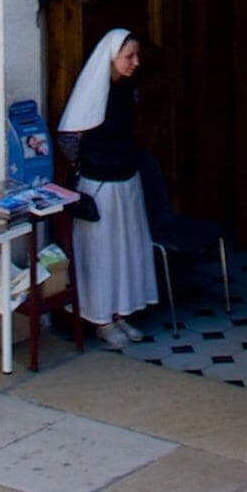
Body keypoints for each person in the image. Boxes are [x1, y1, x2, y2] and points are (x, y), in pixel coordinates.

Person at [60, 29, 157, 341]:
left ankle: (121, 312)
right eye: (129, 57)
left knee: (125, 251)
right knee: (102, 254)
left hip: (127, 181)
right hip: (100, 185)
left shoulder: (130, 91)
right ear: (112, 58)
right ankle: (101, 319)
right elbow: (70, 139)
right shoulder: (93, 94)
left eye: (136, 56)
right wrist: (88, 165)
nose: (135, 62)